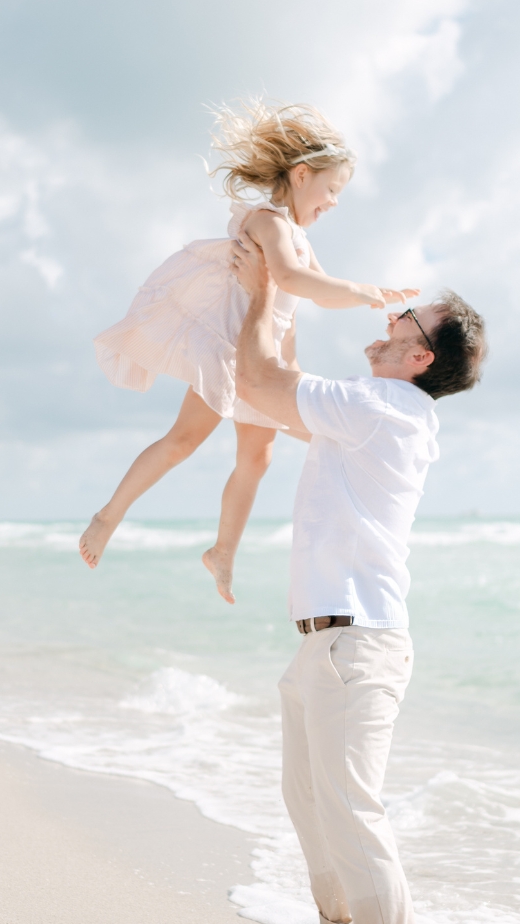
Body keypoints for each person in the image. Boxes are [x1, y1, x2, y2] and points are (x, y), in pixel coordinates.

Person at [229, 232, 487, 924]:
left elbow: (257, 380)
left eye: (406, 322)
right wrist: (282, 297)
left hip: (359, 640)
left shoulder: (382, 408)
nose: (388, 321)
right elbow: (281, 384)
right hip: (324, 639)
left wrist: (268, 290)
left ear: (419, 359)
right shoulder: (372, 407)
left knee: (351, 807)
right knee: (308, 798)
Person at [82, 102, 417, 602]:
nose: (335, 203)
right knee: (183, 441)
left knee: (257, 457)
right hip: (233, 354)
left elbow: (318, 290)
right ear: (301, 175)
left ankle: (222, 552)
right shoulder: (268, 222)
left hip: (268, 363)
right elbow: (288, 279)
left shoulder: (296, 235)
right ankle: (108, 515)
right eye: (332, 190)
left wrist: (366, 296)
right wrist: (359, 287)